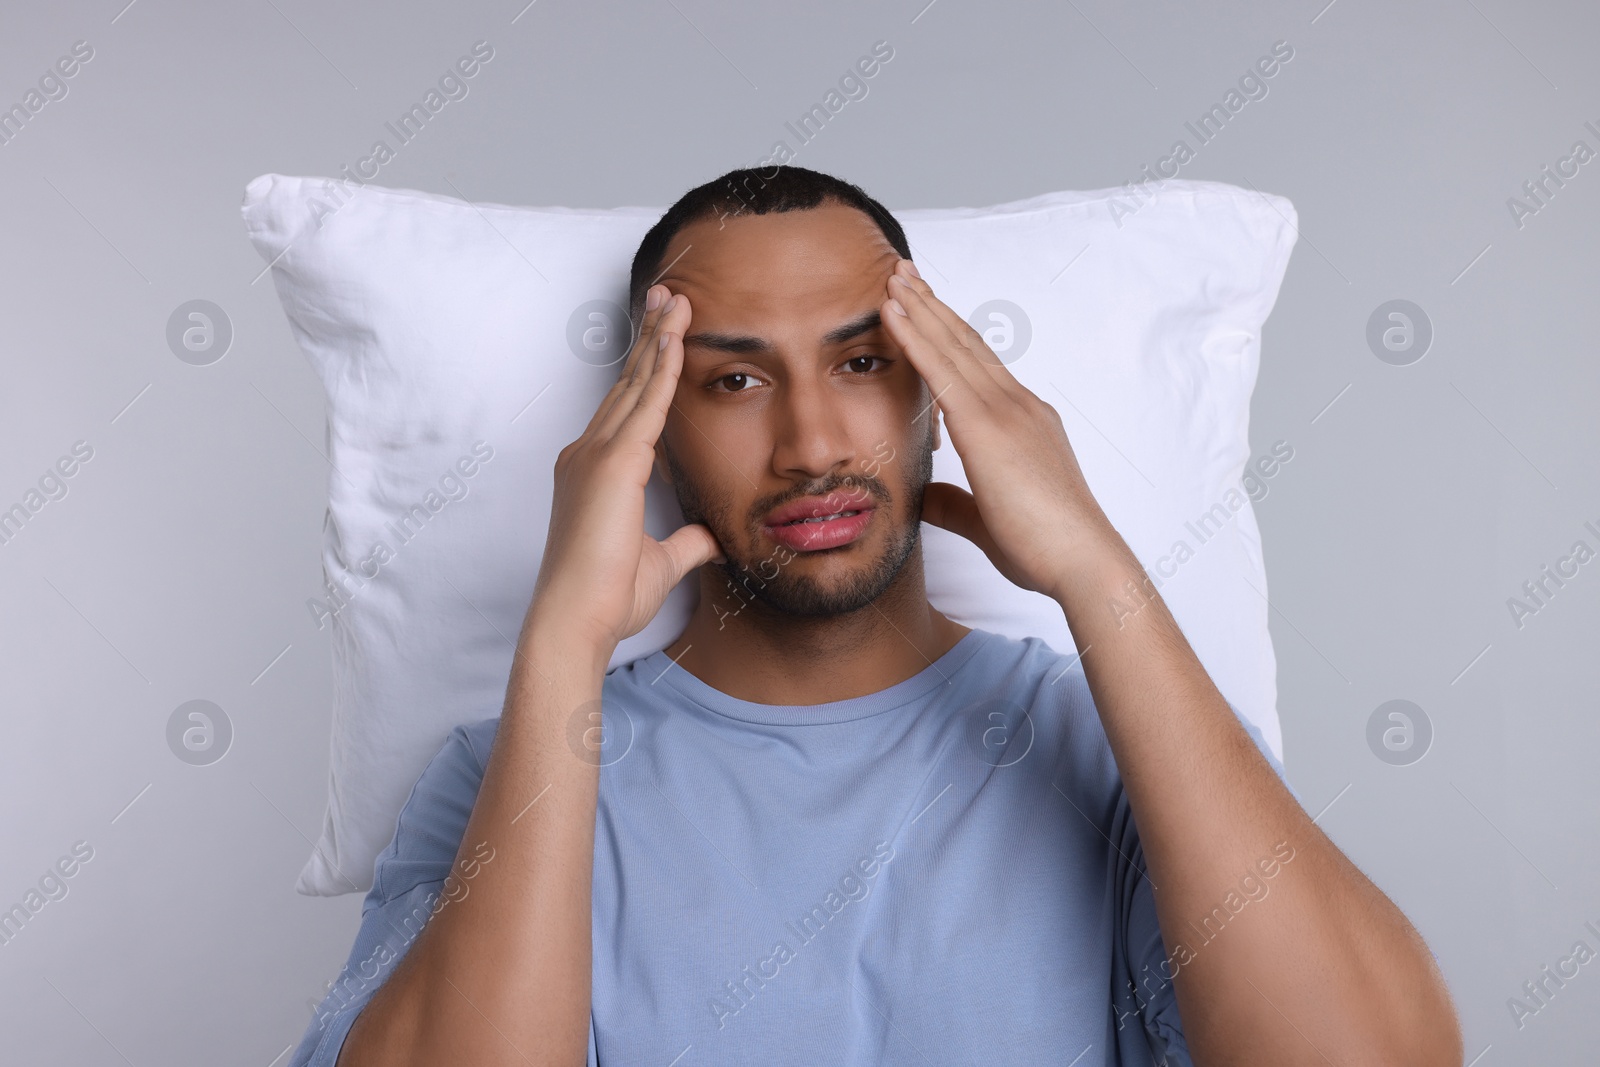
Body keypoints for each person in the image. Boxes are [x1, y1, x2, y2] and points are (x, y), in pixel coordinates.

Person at [291, 166, 1462, 1066]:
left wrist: (1102, 576)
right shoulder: (513, 777)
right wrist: (562, 643)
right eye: (734, 380)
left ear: (940, 393)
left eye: (862, 362)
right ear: (643, 428)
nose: (811, 444)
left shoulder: (1120, 745)